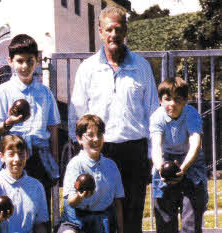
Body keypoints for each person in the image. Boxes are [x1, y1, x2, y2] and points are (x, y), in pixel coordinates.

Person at [67, 6, 159, 232]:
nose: (113, 35)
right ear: (100, 31)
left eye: (118, 29)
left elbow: (153, 113)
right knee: (99, 216)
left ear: (126, 30)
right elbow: (76, 115)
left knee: (132, 217)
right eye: (109, 29)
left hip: (134, 152)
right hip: (99, 152)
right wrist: (82, 152)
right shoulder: (87, 69)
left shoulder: (142, 67)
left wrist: (150, 156)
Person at [0, 34, 61, 218]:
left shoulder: (45, 92)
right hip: (14, 155)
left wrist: (53, 162)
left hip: (39, 157)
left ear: (37, 61)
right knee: (12, 209)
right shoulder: (3, 92)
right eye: (20, 61)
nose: (25, 66)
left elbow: (52, 129)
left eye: (30, 61)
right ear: (10, 61)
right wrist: (8, 122)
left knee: (40, 210)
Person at [150, 77, 207, 233]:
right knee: (165, 221)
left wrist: (183, 168)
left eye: (177, 99)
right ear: (160, 100)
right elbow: (156, 146)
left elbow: (195, 143)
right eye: (167, 99)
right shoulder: (157, 117)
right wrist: (160, 168)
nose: (172, 104)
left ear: (185, 101)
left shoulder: (191, 114)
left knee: (191, 222)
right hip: (166, 160)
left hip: (191, 162)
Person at [58, 115, 124, 233]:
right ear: (79, 139)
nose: (96, 139)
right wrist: (79, 196)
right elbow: (70, 201)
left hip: (102, 221)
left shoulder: (111, 166)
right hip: (76, 220)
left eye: (99, 134)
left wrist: (121, 230)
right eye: (90, 135)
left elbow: (117, 202)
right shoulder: (75, 164)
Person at [0, 134, 49, 233]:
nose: (17, 159)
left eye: (21, 153)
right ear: (2, 156)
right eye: (11, 154)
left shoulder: (36, 186)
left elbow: (39, 224)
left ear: (27, 155)